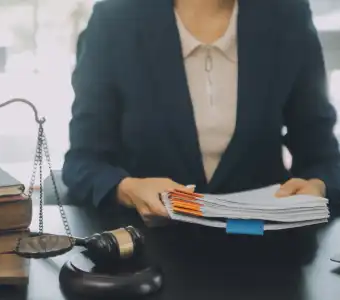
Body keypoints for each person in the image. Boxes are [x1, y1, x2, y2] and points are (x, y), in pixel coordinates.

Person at [62, 0, 340, 221]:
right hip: (145, 254)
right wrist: (127, 189)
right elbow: (83, 164)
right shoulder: (114, 22)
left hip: (267, 252)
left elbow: (324, 158)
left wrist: (318, 186)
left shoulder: (288, 17)